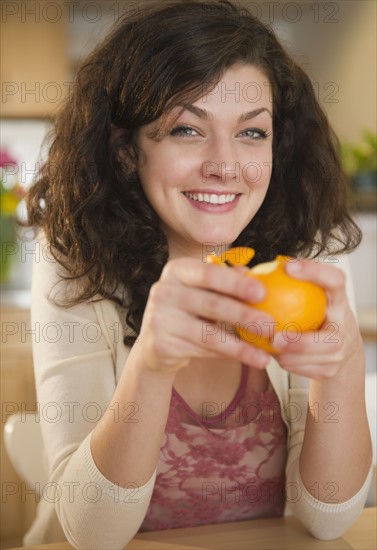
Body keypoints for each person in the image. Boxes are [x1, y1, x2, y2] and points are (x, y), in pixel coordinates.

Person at [24, 1, 373, 548]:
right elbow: (92, 534)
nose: (225, 165)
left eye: (252, 133)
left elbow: (326, 521)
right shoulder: (77, 260)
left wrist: (344, 366)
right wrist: (152, 365)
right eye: (188, 129)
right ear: (126, 149)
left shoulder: (311, 252)